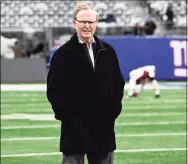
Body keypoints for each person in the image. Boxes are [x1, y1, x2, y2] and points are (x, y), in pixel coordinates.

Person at [46, 3, 125, 164]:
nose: (87, 26)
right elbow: (54, 90)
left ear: (96, 23)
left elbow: (118, 85)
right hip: (74, 130)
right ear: (74, 22)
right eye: (83, 22)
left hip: (103, 128)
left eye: (91, 22)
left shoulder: (108, 51)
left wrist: (112, 113)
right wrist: (67, 118)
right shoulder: (63, 54)